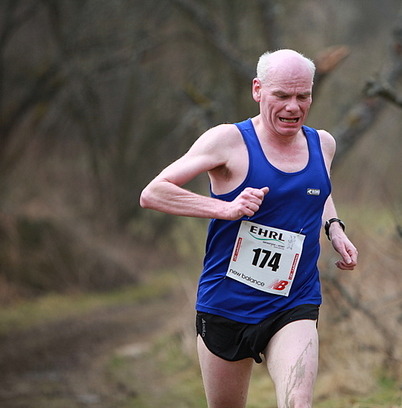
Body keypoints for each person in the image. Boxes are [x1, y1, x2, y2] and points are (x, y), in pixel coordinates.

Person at [140, 49, 358, 408]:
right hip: (227, 304)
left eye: (303, 96)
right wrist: (225, 208)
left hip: (294, 301)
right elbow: (153, 193)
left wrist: (334, 227)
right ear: (258, 90)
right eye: (282, 95)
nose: (293, 107)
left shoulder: (323, 144)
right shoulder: (227, 141)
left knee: (298, 403)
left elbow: (317, 191)